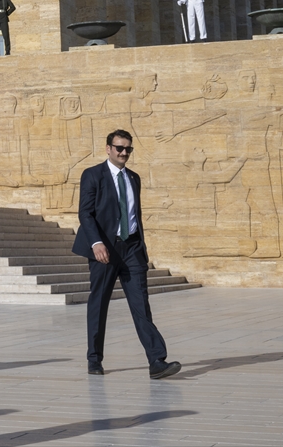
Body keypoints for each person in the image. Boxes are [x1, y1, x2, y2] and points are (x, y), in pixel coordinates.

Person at [72, 129, 181, 379]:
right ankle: (94, 359)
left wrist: (140, 246)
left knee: (141, 304)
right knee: (99, 304)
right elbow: (85, 213)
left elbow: (133, 215)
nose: (124, 153)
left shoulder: (134, 178)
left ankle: (157, 360)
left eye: (128, 149)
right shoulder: (92, 175)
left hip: (131, 248)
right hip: (104, 250)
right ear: (108, 148)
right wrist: (96, 243)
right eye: (119, 148)